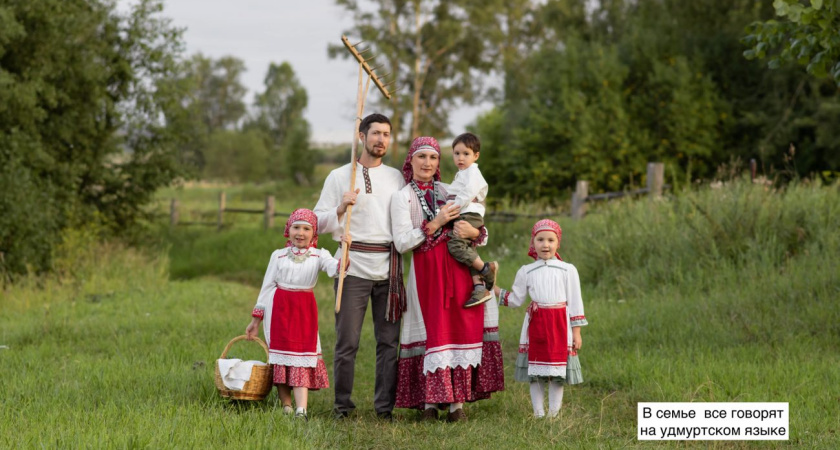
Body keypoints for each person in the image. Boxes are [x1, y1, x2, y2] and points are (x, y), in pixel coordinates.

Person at [390, 136, 505, 422]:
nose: (427, 163)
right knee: (434, 332)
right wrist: (438, 222)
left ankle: (457, 406)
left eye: (433, 157)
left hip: (456, 266)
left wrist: (475, 234)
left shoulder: (449, 189)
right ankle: (430, 402)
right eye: (421, 157)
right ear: (411, 161)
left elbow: (479, 226)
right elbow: (403, 243)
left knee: (459, 329)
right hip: (426, 271)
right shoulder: (402, 196)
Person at [313, 113, 406, 421]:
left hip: (389, 268)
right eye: (375, 133)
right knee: (347, 342)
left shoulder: (397, 177)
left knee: (388, 342)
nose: (381, 139)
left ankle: (384, 408)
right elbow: (317, 222)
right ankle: (342, 406)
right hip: (351, 267)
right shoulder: (340, 176)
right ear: (361, 136)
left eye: (386, 134)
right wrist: (341, 206)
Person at [244, 208, 344, 421]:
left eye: (306, 228)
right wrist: (256, 319)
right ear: (288, 230)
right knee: (281, 357)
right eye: (296, 227)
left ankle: (302, 409)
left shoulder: (319, 254)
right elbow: (267, 286)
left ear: (313, 233)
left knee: (300, 358)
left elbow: (335, 269)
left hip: (303, 310)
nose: (300, 232)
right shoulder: (278, 255)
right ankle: (287, 406)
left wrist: (345, 249)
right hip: (278, 309)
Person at [493, 219, 587, 418]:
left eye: (551, 240)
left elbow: (575, 301)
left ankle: (553, 414)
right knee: (536, 372)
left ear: (558, 243)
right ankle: (538, 413)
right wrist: (492, 289)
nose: (546, 244)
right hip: (535, 324)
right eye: (540, 239)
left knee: (557, 373)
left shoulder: (568, 270)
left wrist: (576, 332)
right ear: (533, 242)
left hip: (560, 324)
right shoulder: (526, 271)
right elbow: (516, 299)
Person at [444, 132, 498, 308]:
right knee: (468, 249)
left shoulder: (473, 172)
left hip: (470, 214)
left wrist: (452, 208)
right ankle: (479, 287)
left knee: (455, 245)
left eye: (466, 154)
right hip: (466, 212)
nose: (460, 158)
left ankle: (485, 269)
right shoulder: (462, 173)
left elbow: (466, 194)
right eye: (456, 153)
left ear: (476, 156)